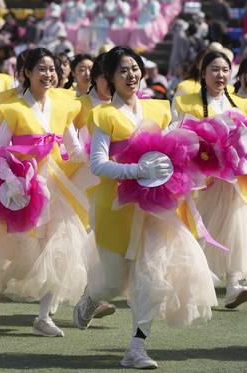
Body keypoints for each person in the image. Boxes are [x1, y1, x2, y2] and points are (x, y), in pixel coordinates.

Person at [73, 46, 217, 369]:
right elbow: (97, 165)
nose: (131, 75)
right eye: (123, 70)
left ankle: (136, 347)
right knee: (113, 281)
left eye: (135, 68)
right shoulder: (104, 115)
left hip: (156, 211)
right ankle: (91, 298)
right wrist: (136, 171)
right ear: (109, 77)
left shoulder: (159, 110)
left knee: (152, 275)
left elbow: (171, 152)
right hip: (117, 208)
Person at [0, 48, 90, 337]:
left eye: (52, 69)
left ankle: (43, 316)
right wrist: (10, 180)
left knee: (61, 249)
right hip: (20, 189)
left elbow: (73, 148)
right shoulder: (14, 109)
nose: (48, 74)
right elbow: (0, 151)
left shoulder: (63, 107)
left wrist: (98, 159)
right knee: (21, 253)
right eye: (41, 68)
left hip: (53, 187)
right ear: (26, 72)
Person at [172, 51, 247, 309]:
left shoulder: (240, 104)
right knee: (199, 232)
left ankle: (235, 283)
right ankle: (189, 282)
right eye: (214, 69)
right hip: (199, 180)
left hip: (233, 182)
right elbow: (176, 135)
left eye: (225, 70)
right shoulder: (185, 102)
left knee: (236, 226)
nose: (220, 75)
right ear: (203, 73)